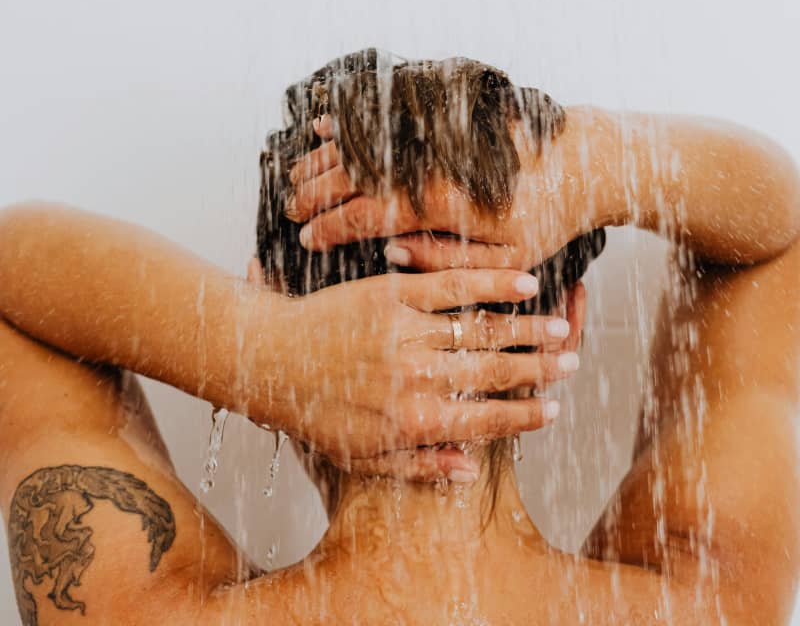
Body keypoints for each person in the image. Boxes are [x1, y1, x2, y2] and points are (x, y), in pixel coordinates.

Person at [0, 48, 798, 624]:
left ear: (269, 291)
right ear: (567, 327)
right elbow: (777, 237)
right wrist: (604, 160)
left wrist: (255, 347)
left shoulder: (135, 612)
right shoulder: (708, 602)